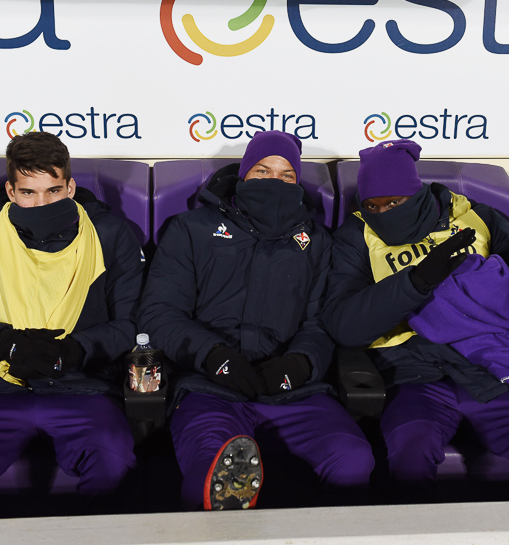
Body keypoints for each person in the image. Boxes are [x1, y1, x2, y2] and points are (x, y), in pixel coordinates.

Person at [323, 139, 509, 501]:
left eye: (394, 202)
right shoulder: (357, 235)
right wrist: (415, 282)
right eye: (372, 205)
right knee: (411, 454)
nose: (382, 212)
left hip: (491, 368)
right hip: (413, 374)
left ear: (415, 194)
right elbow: (344, 326)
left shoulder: (478, 220)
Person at [139, 130, 374, 511]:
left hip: (293, 391)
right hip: (209, 386)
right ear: (243, 175)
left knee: (352, 458)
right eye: (263, 171)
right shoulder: (191, 229)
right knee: (213, 469)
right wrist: (214, 356)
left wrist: (300, 364)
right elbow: (159, 313)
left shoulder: (317, 241)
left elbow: (321, 321)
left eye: (286, 176)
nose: (274, 181)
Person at [0, 132, 143, 500]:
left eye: (52, 191)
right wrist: (6, 343)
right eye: (28, 192)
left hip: (82, 386)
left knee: (112, 463)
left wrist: (76, 351)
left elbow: (132, 322)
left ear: (70, 188)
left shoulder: (110, 233)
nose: (41, 202)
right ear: (11, 191)